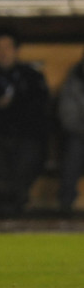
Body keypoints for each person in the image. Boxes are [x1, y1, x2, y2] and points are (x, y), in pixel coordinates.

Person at [0, 29, 50, 217]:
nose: (3, 52)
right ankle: (4, 203)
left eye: (8, 47)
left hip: (26, 137)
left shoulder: (33, 79)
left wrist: (10, 107)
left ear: (16, 50)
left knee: (29, 149)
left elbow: (39, 113)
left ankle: (17, 202)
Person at [57, 51, 84, 215]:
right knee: (74, 147)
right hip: (79, 136)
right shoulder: (73, 83)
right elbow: (68, 118)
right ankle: (65, 208)